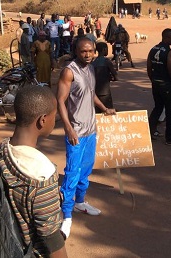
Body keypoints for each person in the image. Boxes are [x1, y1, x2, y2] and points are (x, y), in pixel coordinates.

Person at [0, 84, 68, 257]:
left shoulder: (1, 151)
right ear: (42, 120)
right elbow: (51, 238)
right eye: (54, 116)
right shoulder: (41, 174)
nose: (55, 121)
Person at [57, 37, 116, 239]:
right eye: (83, 51)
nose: (88, 54)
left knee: (86, 169)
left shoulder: (90, 69)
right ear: (76, 51)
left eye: (91, 51)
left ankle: (80, 202)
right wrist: (68, 128)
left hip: (91, 129)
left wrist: (104, 108)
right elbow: (60, 101)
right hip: (76, 131)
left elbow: (90, 94)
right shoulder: (69, 71)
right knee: (72, 172)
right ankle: (66, 216)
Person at [92, 42, 118, 112]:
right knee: (108, 111)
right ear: (104, 50)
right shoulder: (107, 61)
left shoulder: (93, 63)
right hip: (105, 92)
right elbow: (115, 76)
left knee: (98, 112)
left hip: (96, 93)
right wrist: (112, 78)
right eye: (106, 49)